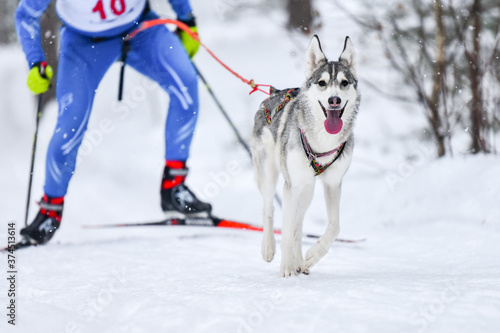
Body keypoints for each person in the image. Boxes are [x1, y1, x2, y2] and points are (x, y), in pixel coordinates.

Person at [15, 0, 212, 245]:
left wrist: (187, 20)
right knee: (70, 127)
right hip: (83, 42)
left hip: (141, 28)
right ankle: (49, 211)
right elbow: (25, 15)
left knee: (186, 86)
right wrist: (35, 61)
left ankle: (174, 187)